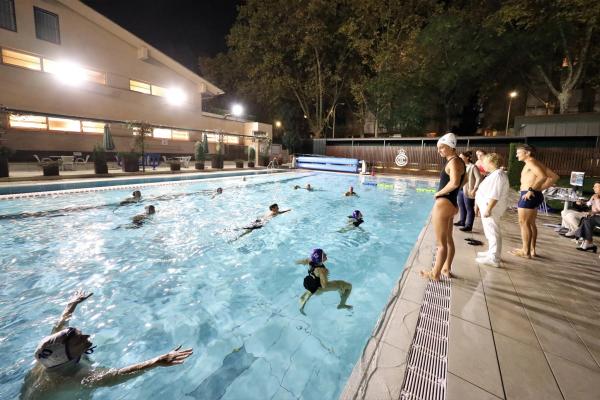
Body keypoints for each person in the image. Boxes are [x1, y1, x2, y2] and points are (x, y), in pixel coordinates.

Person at [20, 290, 192, 400]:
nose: (86, 336)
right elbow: (115, 376)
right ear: (66, 355)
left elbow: (57, 329)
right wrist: (156, 362)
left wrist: (71, 305)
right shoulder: (76, 377)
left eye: (80, 333)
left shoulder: (46, 357)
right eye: (79, 340)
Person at [420, 133, 465, 281]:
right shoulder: (459, 162)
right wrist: (454, 196)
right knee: (448, 240)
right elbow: (463, 182)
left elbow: (454, 183)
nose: (439, 150)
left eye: (441, 148)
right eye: (438, 148)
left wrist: (438, 193)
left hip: (443, 204)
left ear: (451, 147)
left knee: (441, 244)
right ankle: (446, 268)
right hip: (450, 204)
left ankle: (435, 273)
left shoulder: (453, 162)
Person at [510, 144, 558, 258]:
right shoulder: (535, 162)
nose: (516, 155)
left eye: (518, 152)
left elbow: (542, 177)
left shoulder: (531, 162)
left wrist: (532, 189)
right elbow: (554, 177)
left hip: (529, 195)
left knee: (524, 223)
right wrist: (539, 189)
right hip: (534, 194)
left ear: (527, 153)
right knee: (530, 223)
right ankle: (531, 250)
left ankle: (525, 251)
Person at [474, 153, 510, 267]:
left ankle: (494, 258)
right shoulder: (494, 174)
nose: (482, 164)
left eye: (484, 162)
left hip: (492, 208)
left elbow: (495, 195)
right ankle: (491, 252)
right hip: (488, 207)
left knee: (493, 232)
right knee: (490, 232)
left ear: (491, 163)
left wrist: (488, 209)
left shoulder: (498, 175)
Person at [297, 249, 352, 314]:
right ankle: (342, 305)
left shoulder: (310, 261)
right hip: (320, 288)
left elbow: (299, 262)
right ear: (319, 260)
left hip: (310, 282)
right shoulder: (322, 270)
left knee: (314, 285)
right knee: (348, 286)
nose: (326, 255)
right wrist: (326, 275)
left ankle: (306, 296)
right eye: (324, 255)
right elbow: (324, 285)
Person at [454, 150, 482, 232]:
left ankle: (468, 225)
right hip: (460, 190)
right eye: (459, 157)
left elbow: (479, 178)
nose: (460, 158)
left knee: (469, 208)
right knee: (461, 206)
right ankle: (462, 221)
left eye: (462, 157)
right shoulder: (460, 166)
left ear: (467, 158)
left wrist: (475, 189)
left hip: (469, 190)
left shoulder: (473, 167)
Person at [573, 182, 600, 252]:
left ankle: (585, 240)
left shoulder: (596, 197)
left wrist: (596, 200)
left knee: (588, 220)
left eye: (596, 187)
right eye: (594, 186)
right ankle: (588, 243)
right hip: (595, 217)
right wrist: (581, 202)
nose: (593, 188)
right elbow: (588, 204)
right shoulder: (594, 195)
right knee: (587, 219)